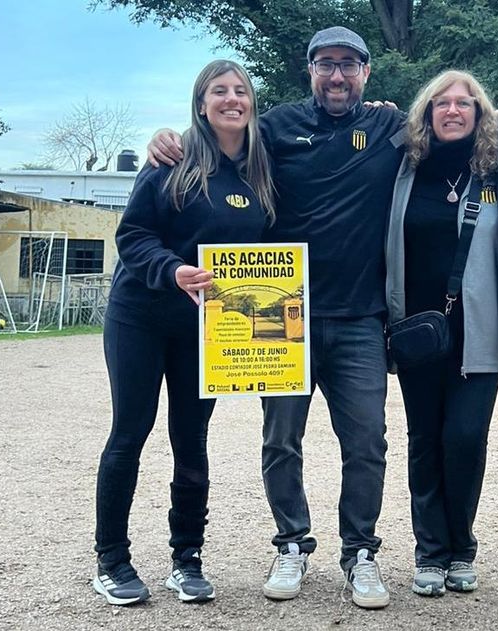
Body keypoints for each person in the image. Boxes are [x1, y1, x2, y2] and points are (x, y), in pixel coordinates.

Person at [148, 27, 405, 609]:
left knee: (366, 441)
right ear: (309, 70)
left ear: (366, 72)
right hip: (278, 311)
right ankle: (291, 543)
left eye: (348, 65)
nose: (336, 76)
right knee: (281, 440)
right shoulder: (275, 128)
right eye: (324, 65)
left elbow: (460, 123)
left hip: (360, 316)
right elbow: (220, 137)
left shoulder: (390, 126)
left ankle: (360, 552)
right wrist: (172, 137)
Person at [93, 59, 274, 606]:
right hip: (142, 315)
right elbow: (134, 234)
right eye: (219, 91)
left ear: (251, 103)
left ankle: (186, 558)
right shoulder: (170, 161)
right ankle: (112, 560)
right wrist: (171, 270)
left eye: (240, 90)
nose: (231, 99)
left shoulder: (262, 169)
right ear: (201, 104)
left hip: (209, 326)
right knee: (131, 431)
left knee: (191, 440)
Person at [384, 70, 498, 597]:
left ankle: (462, 545)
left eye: (466, 102)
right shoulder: (403, 170)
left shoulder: (496, 172)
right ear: (426, 113)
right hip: (418, 331)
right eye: (442, 102)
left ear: (482, 113)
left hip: (480, 330)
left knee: (464, 438)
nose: (453, 110)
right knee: (423, 441)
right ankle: (431, 550)